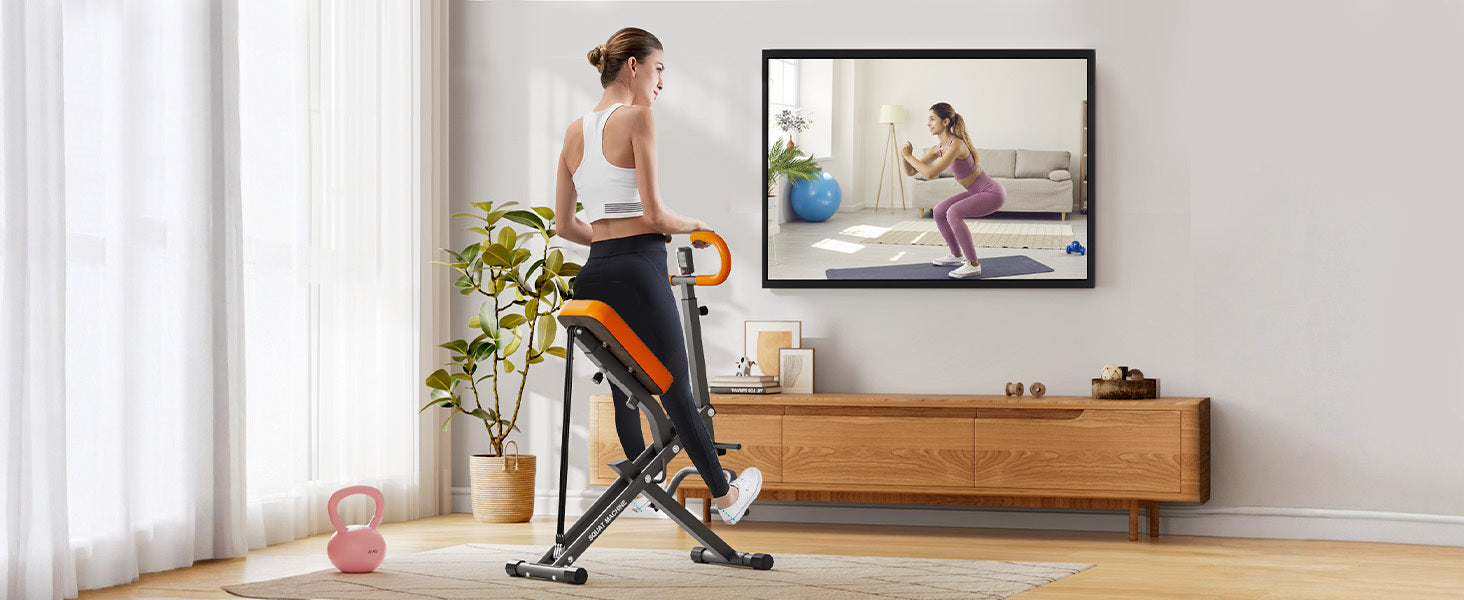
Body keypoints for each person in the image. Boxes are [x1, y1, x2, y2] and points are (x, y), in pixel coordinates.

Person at [552, 27, 762, 524]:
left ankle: (643, 490)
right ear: (633, 66)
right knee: (675, 387)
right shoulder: (638, 118)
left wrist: (608, 242)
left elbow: (565, 226)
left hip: (594, 275)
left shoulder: (572, 130)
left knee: (626, 384)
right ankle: (726, 497)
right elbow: (654, 216)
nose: (662, 80)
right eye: (659, 67)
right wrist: (697, 225)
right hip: (641, 267)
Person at [900, 102, 1007, 278]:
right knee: (940, 210)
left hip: (992, 193)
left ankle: (973, 264)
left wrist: (909, 156)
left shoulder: (956, 145)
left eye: (932, 119)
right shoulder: (938, 149)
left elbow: (931, 172)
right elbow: (911, 172)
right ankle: (956, 255)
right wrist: (905, 157)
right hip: (976, 192)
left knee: (953, 213)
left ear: (946, 121)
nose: (928, 123)